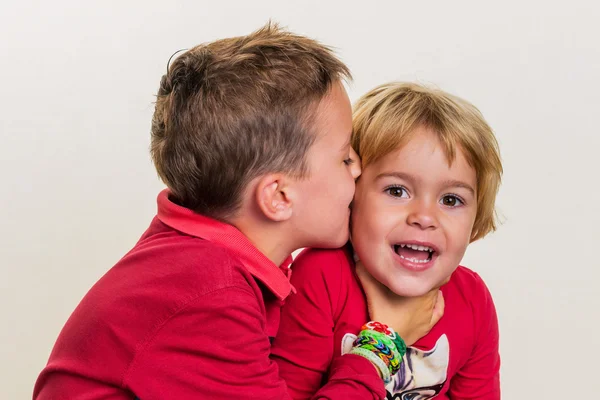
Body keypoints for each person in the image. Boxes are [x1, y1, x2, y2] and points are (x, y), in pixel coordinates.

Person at [33, 26, 442, 400]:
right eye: (344, 157)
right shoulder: (210, 295)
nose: (358, 168)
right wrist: (383, 344)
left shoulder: (190, 256)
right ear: (279, 196)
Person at [272, 82, 503, 399]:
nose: (424, 216)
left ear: (475, 221)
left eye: (451, 200)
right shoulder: (319, 277)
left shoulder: (473, 300)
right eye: (397, 191)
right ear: (351, 198)